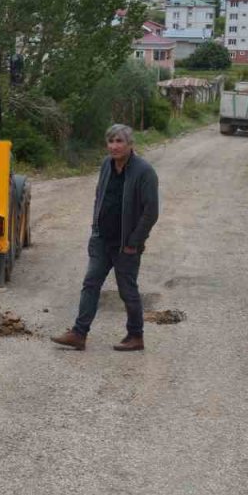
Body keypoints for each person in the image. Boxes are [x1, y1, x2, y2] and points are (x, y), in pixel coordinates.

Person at [51, 123, 159, 352]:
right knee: (90, 283)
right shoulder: (106, 165)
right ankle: (79, 334)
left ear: (130, 144)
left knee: (127, 290)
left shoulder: (144, 171)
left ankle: (135, 336)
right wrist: (95, 230)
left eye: (120, 141)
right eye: (111, 141)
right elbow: (99, 196)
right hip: (102, 240)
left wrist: (134, 242)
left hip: (125, 245)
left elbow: (151, 212)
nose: (114, 146)